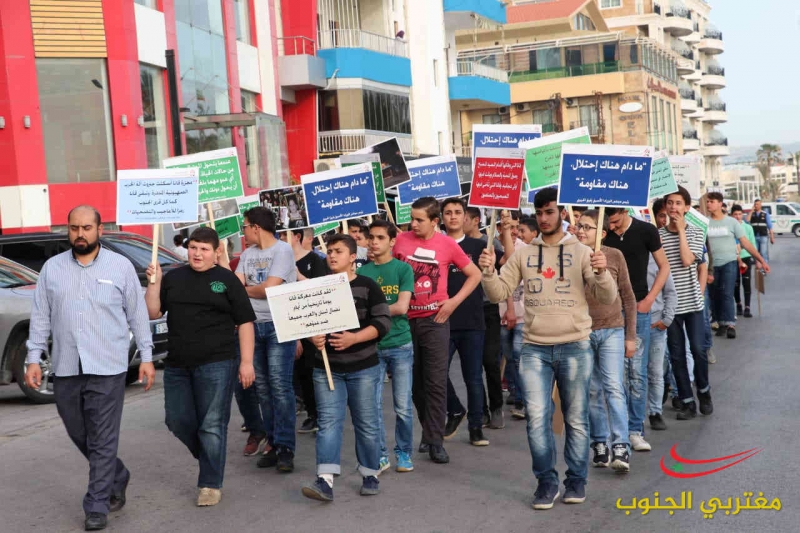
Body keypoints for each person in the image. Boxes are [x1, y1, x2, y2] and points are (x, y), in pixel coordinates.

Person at [479, 187, 616, 509]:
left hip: (575, 346)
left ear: (562, 214)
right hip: (534, 348)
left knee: (576, 419)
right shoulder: (523, 254)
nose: (543, 218)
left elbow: (608, 297)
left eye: (549, 212)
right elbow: (498, 293)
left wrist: (602, 272)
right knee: (537, 419)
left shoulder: (583, 251)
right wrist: (488, 271)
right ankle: (546, 482)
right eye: (539, 212)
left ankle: (576, 481)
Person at [25, 205, 156, 531]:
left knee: (102, 436)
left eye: (86, 227)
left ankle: (96, 505)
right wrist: (33, 357)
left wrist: (147, 357)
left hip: (108, 366)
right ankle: (117, 473)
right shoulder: (52, 269)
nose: (80, 234)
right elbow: (40, 316)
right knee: (78, 431)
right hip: (66, 366)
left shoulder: (120, 266)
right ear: (67, 230)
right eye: (74, 228)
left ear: (99, 230)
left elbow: (137, 314)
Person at [144, 227, 256, 507]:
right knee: (176, 420)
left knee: (212, 424)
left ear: (216, 252)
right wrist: (154, 283)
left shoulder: (227, 280)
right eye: (193, 247)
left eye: (204, 249)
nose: (197, 253)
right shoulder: (173, 277)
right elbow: (153, 312)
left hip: (218, 362)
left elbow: (245, 322)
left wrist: (246, 362)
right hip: (177, 364)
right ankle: (209, 455)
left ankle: (210, 483)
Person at [302, 234, 391, 502]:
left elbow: (383, 323)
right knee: (328, 423)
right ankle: (325, 480)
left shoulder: (367, 286)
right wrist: (312, 337)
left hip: (363, 369)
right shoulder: (318, 287)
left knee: (366, 423)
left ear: (353, 257)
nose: (331, 255)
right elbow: (304, 321)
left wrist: (354, 338)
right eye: (329, 251)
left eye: (338, 251)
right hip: (326, 369)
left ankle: (370, 474)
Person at [392, 196, 482, 464]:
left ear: (434, 221)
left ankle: (435, 441)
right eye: (412, 218)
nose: (413, 224)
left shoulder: (447, 244)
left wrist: (453, 303)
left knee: (435, 382)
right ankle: (428, 429)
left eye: (419, 220)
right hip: (405, 322)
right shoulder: (401, 241)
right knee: (415, 384)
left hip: (435, 321)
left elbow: (475, 275)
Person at [603, 206, 670, 452]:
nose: (611, 226)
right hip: (607, 311)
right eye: (608, 222)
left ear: (624, 211)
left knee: (636, 372)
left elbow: (664, 266)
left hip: (638, 310)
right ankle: (615, 432)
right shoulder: (602, 232)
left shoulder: (646, 231)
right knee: (613, 375)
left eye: (614, 221)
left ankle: (635, 430)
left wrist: (650, 299)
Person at [236, 207, 299, 472]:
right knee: (262, 389)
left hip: (279, 324)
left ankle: (285, 447)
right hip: (252, 325)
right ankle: (272, 442)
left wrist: (246, 290)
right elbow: (235, 285)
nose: (243, 232)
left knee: (280, 386)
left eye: (245, 226)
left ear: (256, 227)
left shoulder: (283, 250)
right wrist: (251, 290)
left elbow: (270, 288)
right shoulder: (246, 255)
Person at [574, 210, 637, 473]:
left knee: (614, 387)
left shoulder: (614, 255)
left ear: (601, 233)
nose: (581, 231)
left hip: (612, 330)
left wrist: (630, 336)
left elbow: (628, 297)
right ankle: (600, 443)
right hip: (582, 332)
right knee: (591, 390)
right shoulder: (571, 255)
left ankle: (620, 444)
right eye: (578, 226)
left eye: (587, 227)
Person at [358, 220, 415, 472]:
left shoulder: (403, 269)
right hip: (371, 346)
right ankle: (380, 454)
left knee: (402, 406)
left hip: (400, 344)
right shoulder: (363, 273)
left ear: (392, 241)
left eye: (380, 237)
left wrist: (372, 312)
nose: (374, 242)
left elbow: (402, 307)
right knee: (373, 405)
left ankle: (404, 452)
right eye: (371, 237)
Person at [660, 186, 714, 420]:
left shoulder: (696, 232)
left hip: (692, 303)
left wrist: (681, 230)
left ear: (687, 208)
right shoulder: (658, 236)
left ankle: (704, 391)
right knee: (676, 354)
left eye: (678, 203)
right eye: (670, 203)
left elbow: (686, 260)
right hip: (670, 306)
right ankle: (687, 401)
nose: (673, 207)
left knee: (698, 350)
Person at [440, 197, 490, 446]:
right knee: (436, 373)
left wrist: (491, 265)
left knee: (473, 378)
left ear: (465, 216)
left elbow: (499, 269)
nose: (453, 216)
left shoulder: (479, 245)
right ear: (441, 217)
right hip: (442, 320)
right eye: (448, 212)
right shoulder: (435, 244)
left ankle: (476, 427)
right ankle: (455, 410)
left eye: (457, 212)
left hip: (472, 321)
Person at [464, 206, 508, 429]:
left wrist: (506, 230)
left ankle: (496, 407)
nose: (457, 220)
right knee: (472, 364)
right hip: (466, 309)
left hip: (488, 308)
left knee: (490, 360)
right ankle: (480, 410)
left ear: (475, 220)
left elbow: (507, 263)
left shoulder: (489, 243)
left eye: (463, 217)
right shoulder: (453, 244)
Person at [283, 229, 329, 434]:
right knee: (300, 373)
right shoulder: (280, 261)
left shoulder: (315, 260)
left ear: (297, 237)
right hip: (291, 324)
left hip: (313, 323)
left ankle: (322, 414)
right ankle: (311, 413)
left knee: (314, 371)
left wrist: (299, 276)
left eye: (284, 235)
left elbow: (321, 289)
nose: (281, 239)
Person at [705, 192, 769, 339]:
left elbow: (745, 243)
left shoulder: (731, 222)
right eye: (707, 201)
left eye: (712, 201)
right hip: (711, 266)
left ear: (720, 204)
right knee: (715, 295)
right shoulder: (704, 222)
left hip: (729, 263)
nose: (708, 204)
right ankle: (719, 322)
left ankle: (730, 324)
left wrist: (761, 260)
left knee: (727, 293)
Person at [731, 204, 756, 318]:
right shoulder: (730, 227)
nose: (737, 216)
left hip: (746, 257)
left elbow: (752, 243)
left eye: (739, 214)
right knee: (735, 283)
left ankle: (747, 307)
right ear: (732, 215)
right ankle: (739, 304)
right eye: (735, 214)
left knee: (746, 282)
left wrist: (757, 259)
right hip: (733, 258)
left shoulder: (748, 227)